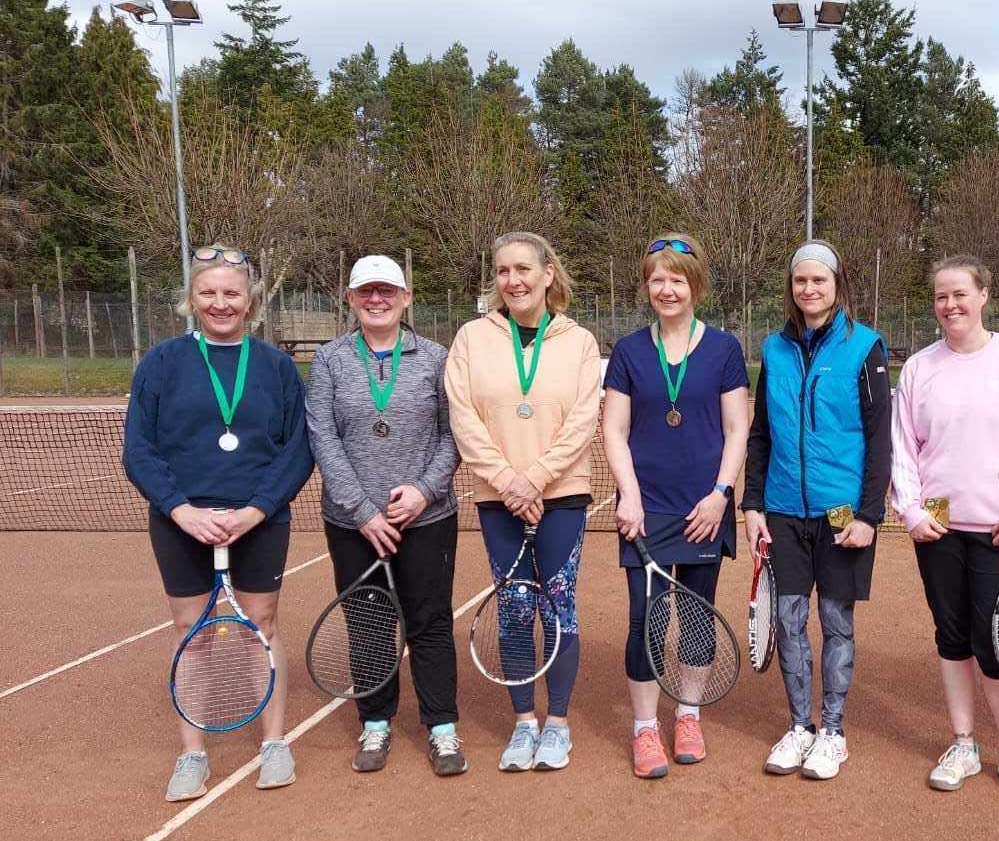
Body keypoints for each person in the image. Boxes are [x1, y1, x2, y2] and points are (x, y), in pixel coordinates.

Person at [122, 244, 313, 801]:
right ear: (191, 300)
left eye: (231, 293)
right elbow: (139, 450)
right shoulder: (161, 362)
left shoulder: (276, 367)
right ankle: (192, 754)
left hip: (260, 517)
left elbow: (297, 449)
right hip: (181, 518)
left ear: (250, 299)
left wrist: (256, 510)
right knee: (190, 633)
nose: (220, 303)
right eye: (208, 293)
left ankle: (274, 743)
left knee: (262, 627)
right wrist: (182, 510)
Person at [890, 254, 999, 800]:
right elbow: (903, 449)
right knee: (952, 634)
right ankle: (964, 743)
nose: (950, 305)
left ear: (984, 295)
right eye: (941, 296)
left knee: (996, 641)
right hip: (937, 526)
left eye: (960, 293)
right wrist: (911, 512)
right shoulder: (918, 368)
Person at [445, 231, 601, 773]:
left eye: (523, 269)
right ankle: (522, 723)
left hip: (562, 494)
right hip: (498, 498)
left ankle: (557, 724)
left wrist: (535, 478)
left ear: (547, 274)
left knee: (559, 605)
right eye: (503, 271)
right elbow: (463, 417)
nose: (513, 280)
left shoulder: (578, 342)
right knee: (513, 608)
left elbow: (584, 419)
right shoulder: (471, 338)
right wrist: (509, 482)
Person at [306, 254, 464, 777]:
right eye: (366, 292)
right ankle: (375, 722)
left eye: (387, 291)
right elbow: (323, 439)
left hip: (427, 518)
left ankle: (442, 727)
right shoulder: (329, 359)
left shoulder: (437, 358)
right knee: (369, 622)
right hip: (353, 523)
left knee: (430, 620)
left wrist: (421, 492)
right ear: (350, 299)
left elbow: (454, 435)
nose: (377, 300)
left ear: (406, 298)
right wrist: (364, 512)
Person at [742, 240, 892, 780]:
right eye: (800, 281)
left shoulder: (865, 347)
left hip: (840, 512)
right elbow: (760, 433)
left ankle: (832, 731)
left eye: (819, 281)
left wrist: (868, 515)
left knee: (834, 620)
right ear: (792, 287)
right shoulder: (773, 350)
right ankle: (799, 726)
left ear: (836, 284)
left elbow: (880, 439)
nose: (809, 289)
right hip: (782, 509)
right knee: (787, 619)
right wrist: (753, 502)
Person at [601, 234, 749, 779]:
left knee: (695, 617)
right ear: (647, 286)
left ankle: (687, 715)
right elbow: (613, 430)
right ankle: (644, 727)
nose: (666, 289)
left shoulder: (725, 349)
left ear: (695, 284)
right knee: (646, 618)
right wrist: (630, 495)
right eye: (657, 279)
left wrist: (720, 494)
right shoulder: (630, 350)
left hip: (705, 508)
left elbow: (737, 427)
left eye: (676, 279)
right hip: (646, 511)